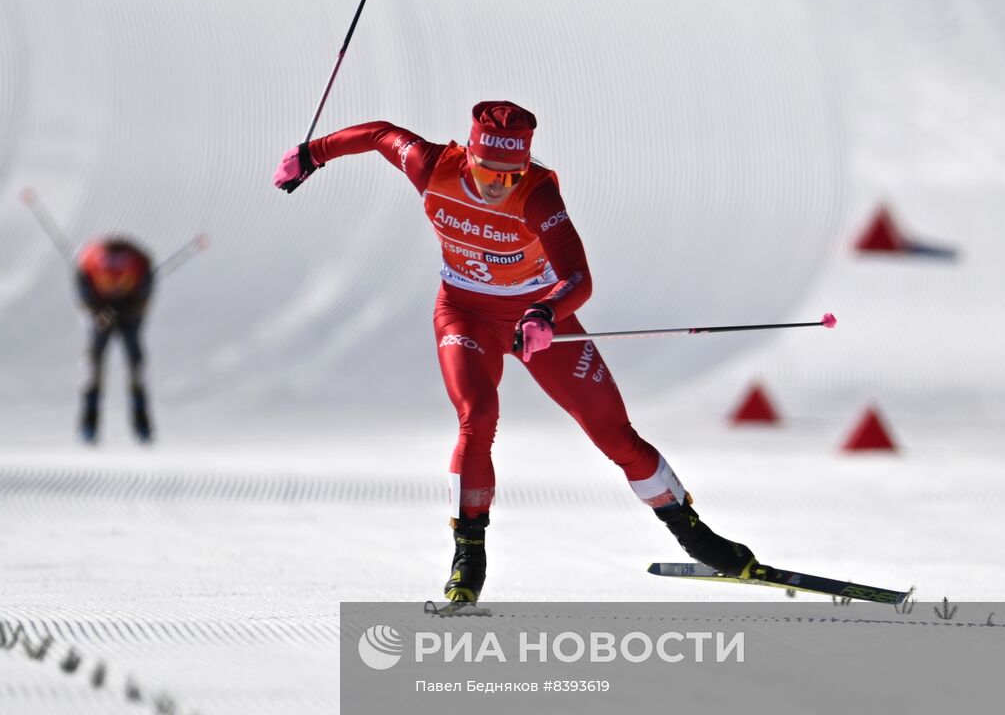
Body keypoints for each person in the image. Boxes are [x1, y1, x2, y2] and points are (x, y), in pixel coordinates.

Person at [273, 101, 761, 602]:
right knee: (477, 415)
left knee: (615, 435)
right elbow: (380, 135)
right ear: (468, 156)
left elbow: (578, 277)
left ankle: (693, 533)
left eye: (510, 178)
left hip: (537, 322)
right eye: (487, 173)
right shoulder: (433, 165)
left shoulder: (538, 194)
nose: (496, 187)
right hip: (466, 315)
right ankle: (469, 553)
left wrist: (546, 312)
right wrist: (314, 153)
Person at [75, 237, 154, 444]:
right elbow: (82, 284)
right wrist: (96, 310)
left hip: (130, 315)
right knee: (92, 365)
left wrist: (133, 308)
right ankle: (88, 422)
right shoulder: (91, 257)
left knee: (136, 364)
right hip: (102, 316)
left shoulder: (137, 259)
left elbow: (146, 284)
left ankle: (141, 422)